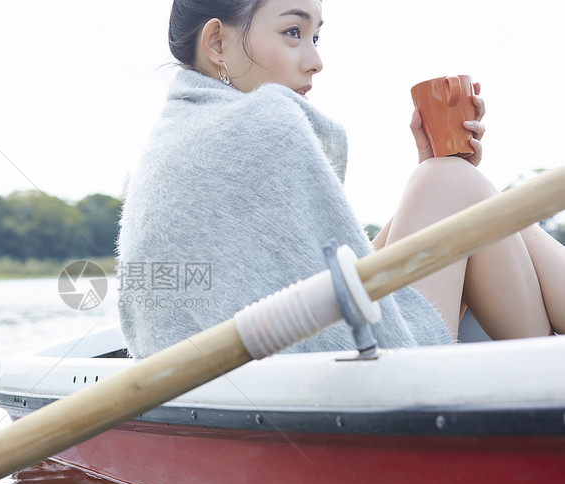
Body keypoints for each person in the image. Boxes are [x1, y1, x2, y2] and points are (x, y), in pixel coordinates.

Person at [116, 0, 565, 359]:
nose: (315, 60)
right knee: (452, 182)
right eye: (293, 32)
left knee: (457, 190)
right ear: (216, 42)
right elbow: (332, 317)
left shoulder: (173, 139)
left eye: (315, 36)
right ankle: (542, 374)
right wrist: (443, 183)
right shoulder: (263, 121)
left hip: (248, 373)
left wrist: (435, 192)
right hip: (337, 378)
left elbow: (319, 284)